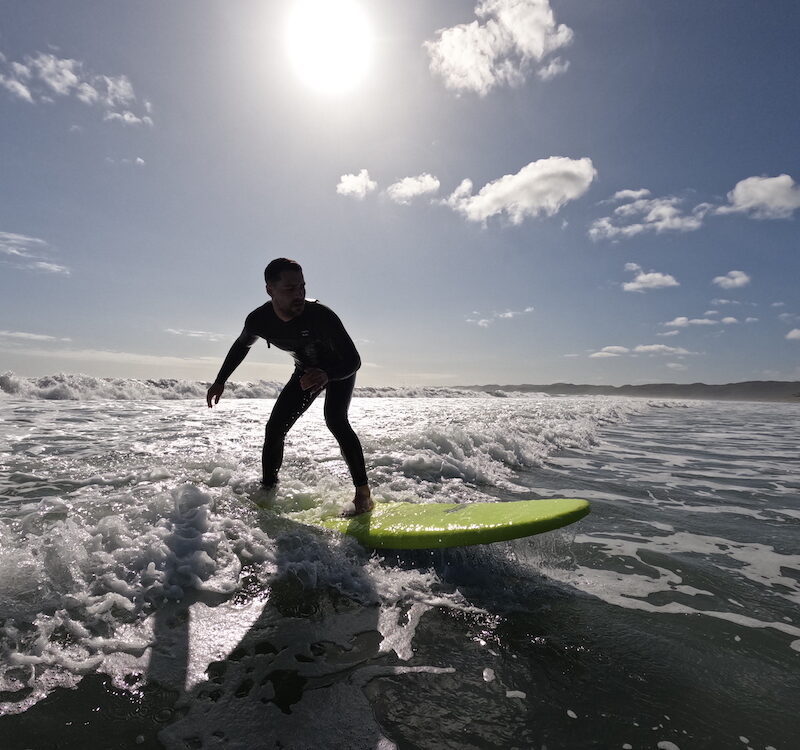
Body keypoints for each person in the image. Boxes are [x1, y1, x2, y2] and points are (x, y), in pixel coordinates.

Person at [206, 258, 373, 516]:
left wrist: (327, 374)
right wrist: (220, 381)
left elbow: (354, 360)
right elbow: (242, 345)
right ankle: (268, 491)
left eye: (302, 287)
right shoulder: (259, 320)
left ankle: (363, 494)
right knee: (274, 428)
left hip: (338, 369)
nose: (299, 294)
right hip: (305, 371)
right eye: (290, 289)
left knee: (336, 420)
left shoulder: (322, 316)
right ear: (270, 289)